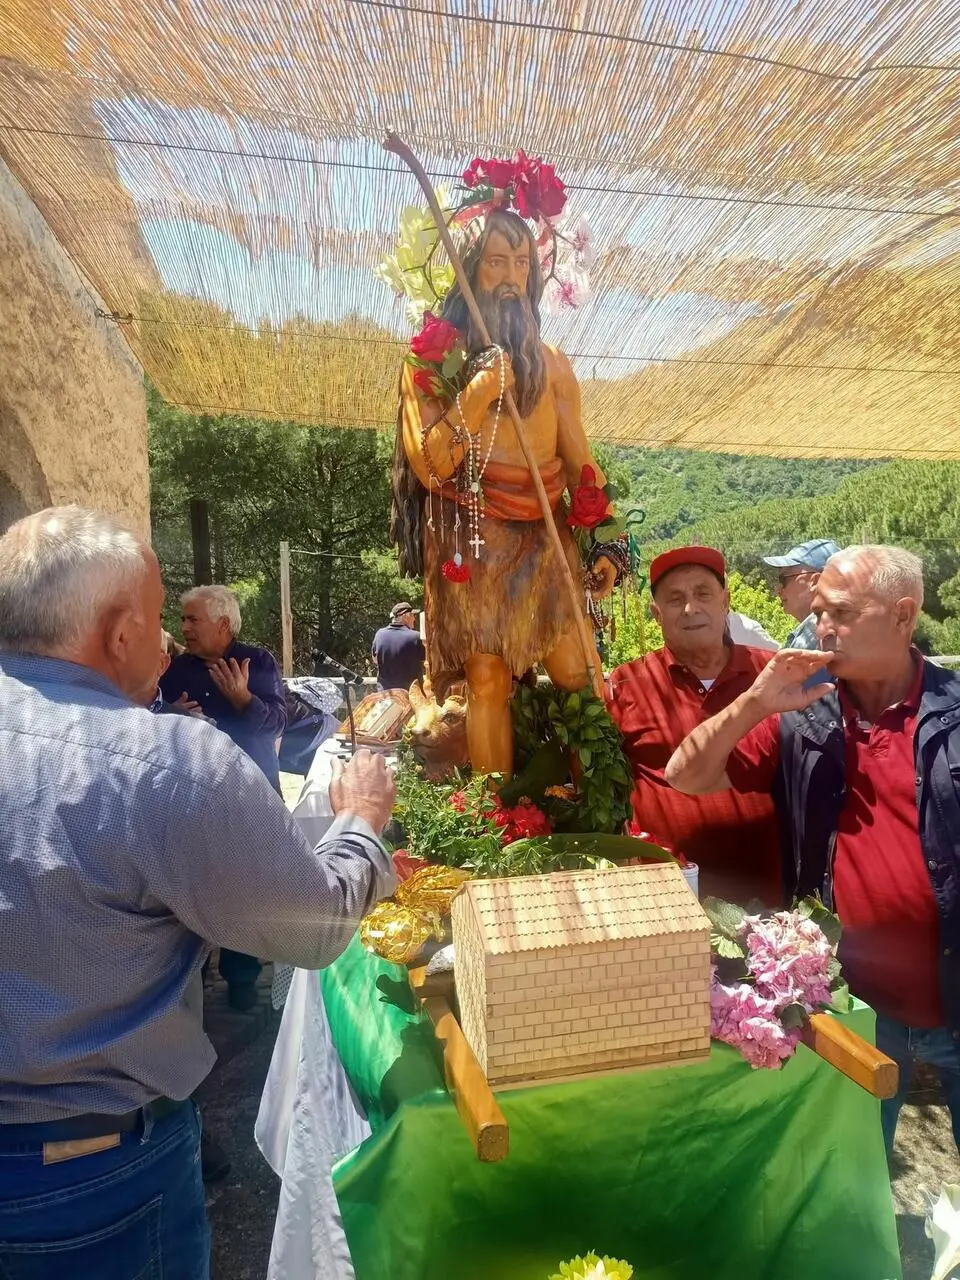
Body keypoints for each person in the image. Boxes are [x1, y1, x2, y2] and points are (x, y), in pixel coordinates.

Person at [0, 506, 397, 1279]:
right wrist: (359, 820)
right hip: (90, 1178)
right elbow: (311, 925)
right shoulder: (163, 762)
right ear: (120, 634)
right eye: (159, 620)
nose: (169, 641)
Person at [665, 544, 960, 1154]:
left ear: (903, 616)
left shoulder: (953, 712)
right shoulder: (806, 716)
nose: (823, 627)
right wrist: (755, 701)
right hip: (852, 1006)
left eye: (843, 613)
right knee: (853, 1174)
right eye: (820, 610)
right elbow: (684, 775)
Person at [392, 208, 618, 774]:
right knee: (486, 677)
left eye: (522, 263)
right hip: (472, 538)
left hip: (546, 537)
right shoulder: (429, 364)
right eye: (496, 262)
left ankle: (597, 801)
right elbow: (431, 465)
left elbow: (582, 467)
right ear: (468, 270)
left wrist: (608, 543)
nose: (512, 278)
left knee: (577, 670)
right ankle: (495, 813)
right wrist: (476, 393)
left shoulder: (554, 365)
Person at [606, 546, 781, 905]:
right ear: (656, 614)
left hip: (770, 891)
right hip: (667, 895)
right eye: (675, 599)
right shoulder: (626, 684)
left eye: (703, 593)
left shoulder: (772, 674)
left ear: (725, 601)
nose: (690, 608)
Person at [160, 584, 288, 1008]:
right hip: (190, 796)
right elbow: (148, 714)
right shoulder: (176, 669)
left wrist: (243, 699)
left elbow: (275, 724)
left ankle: (241, 979)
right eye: (183, 619)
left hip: (249, 793)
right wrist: (170, 715)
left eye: (193, 619)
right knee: (191, 888)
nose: (184, 627)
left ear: (224, 624)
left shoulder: (257, 662)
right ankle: (190, 981)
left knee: (245, 889)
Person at [762, 538, 840, 649]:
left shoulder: (815, 636)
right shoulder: (840, 630)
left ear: (815, 582)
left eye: (784, 579)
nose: (779, 590)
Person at [372, 601, 426, 691]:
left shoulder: (379, 634)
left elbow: (375, 660)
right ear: (405, 616)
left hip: (385, 694)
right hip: (409, 695)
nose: (414, 619)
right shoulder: (416, 637)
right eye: (413, 615)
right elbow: (427, 662)